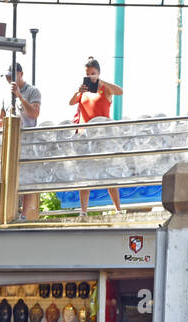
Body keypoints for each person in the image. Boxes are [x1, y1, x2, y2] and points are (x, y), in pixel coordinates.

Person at [70, 57, 124, 215]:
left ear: (98, 73)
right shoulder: (83, 91)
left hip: (102, 138)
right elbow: (71, 102)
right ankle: (83, 211)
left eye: (93, 73)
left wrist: (101, 82)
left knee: (109, 175)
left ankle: (118, 210)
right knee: (84, 175)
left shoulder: (105, 88)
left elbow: (120, 91)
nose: (90, 76)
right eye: (88, 74)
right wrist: (78, 91)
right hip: (85, 138)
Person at [0, 63, 42, 220]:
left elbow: (34, 113)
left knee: (28, 177)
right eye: (7, 76)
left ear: (21, 74)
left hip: (28, 141)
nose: (8, 79)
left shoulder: (33, 91)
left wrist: (20, 96)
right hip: (10, 141)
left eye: (11, 76)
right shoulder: (6, 94)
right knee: (6, 176)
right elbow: (2, 116)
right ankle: (7, 211)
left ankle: (24, 214)